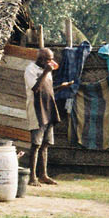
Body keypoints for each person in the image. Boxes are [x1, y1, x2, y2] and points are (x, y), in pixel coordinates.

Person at [23, 48, 73, 185]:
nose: (51, 62)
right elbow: (36, 89)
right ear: (40, 59)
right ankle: (32, 177)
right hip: (37, 109)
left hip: (48, 109)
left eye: (51, 59)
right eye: (48, 59)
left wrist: (60, 87)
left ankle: (43, 175)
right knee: (36, 144)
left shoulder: (48, 70)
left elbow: (47, 89)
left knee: (45, 144)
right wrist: (46, 72)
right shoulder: (30, 70)